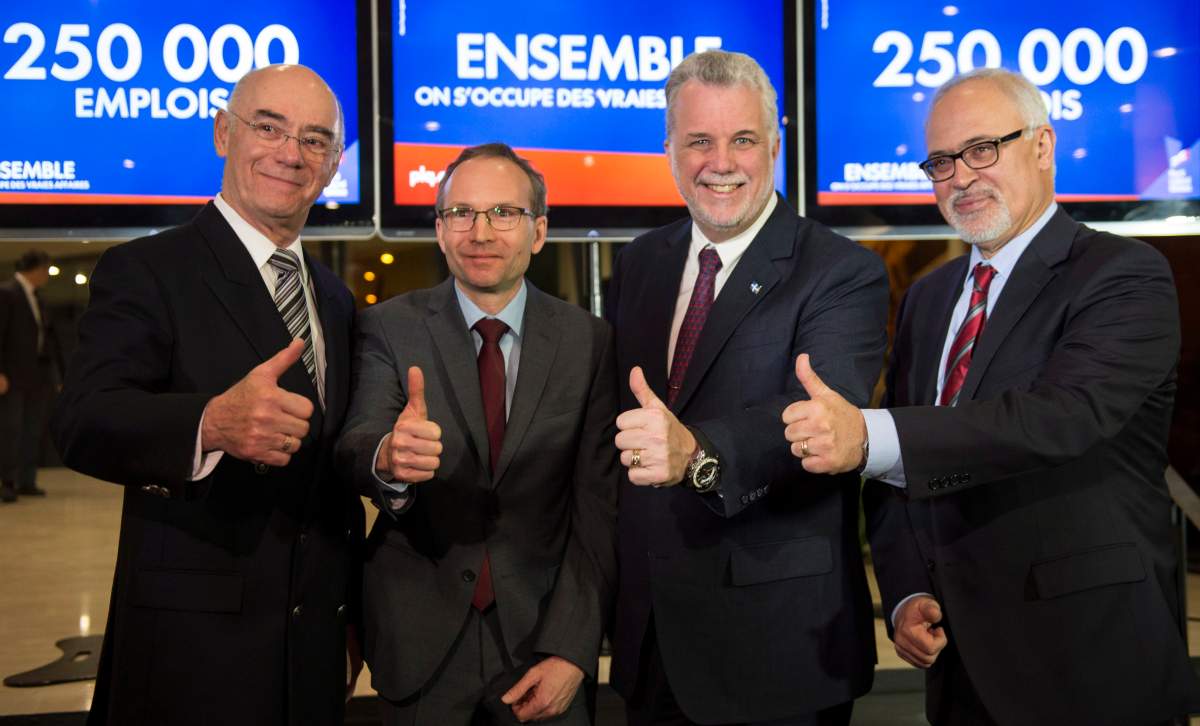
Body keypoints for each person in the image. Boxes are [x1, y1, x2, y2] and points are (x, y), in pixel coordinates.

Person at [782, 67, 1200, 725]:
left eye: (982, 149)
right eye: (941, 162)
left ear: (1042, 146)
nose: (960, 177)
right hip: (960, 670)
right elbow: (899, 472)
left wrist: (867, 434)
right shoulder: (928, 298)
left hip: (1091, 667)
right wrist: (906, 591)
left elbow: (1058, 419)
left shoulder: (1124, 275)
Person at [51, 64, 362, 726]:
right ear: (224, 133)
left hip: (313, 650)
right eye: (269, 128)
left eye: (314, 140)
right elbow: (82, 418)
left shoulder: (335, 299)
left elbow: (328, 484)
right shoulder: (148, 269)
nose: (290, 154)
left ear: (335, 163)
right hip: (193, 655)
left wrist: (352, 614)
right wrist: (210, 423)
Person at [606, 50, 889, 725]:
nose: (720, 162)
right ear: (668, 149)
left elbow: (813, 420)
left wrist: (697, 453)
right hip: (651, 641)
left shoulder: (841, 272)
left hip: (777, 649)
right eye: (698, 141)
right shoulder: (640, 262)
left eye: (742, 140)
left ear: (775, 146)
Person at [336, 142, 618, 726]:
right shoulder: (387, 326)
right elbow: (357, 439)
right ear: (440, 231)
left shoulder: (589, 342)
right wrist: (389, 456)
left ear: (539, 232)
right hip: (418, 644)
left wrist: (572, 649)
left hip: (543, 640)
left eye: (504, 213)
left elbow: (598, 509)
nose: (480, 232)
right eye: (461, 213)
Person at [0, 249, 58, 501]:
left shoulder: (38, 298)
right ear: (37, 268)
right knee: (10, 429)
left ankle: (26, 480)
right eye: (46, 270)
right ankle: (7, 482)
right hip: (12, 375)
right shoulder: (6, 292)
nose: (47, 275)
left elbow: (47, 339)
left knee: (32, 430)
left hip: (37, 376)